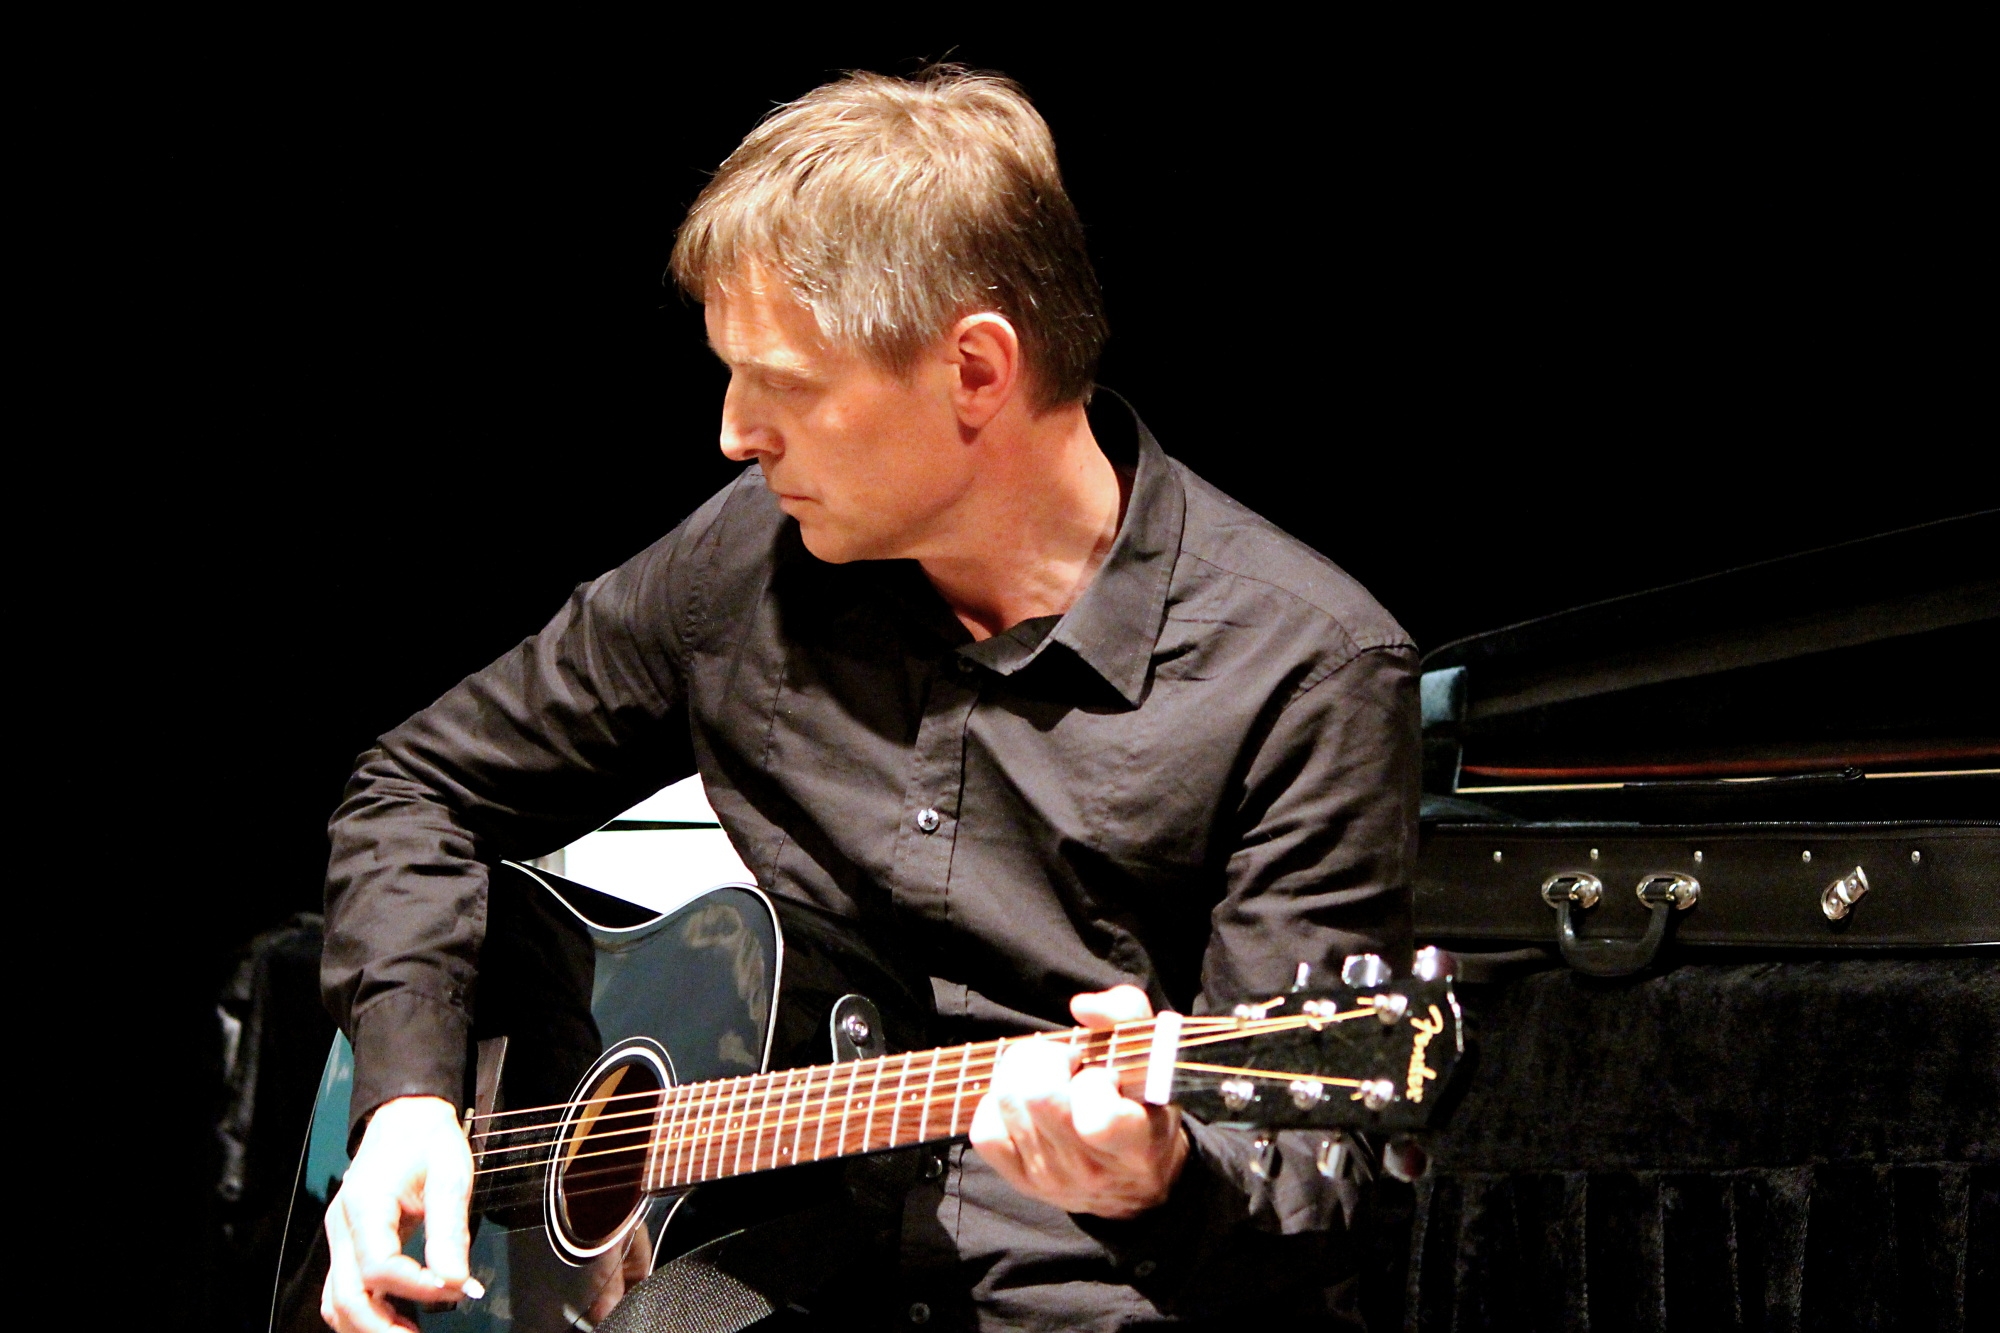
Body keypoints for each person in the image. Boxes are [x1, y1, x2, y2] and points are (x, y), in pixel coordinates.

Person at [318, 67, 1418, 1332]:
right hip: (764, 1271)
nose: (735, 432)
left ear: (974, 369)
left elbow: (1303, 1193)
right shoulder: (741, 565)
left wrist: (1152, 1179)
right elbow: (416, 787)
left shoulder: (1302, 669)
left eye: (783, 382)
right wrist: (409, 1099)